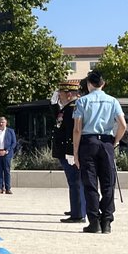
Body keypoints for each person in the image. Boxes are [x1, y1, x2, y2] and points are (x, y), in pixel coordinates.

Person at [72, 71, 128, 234]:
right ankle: (107, 221)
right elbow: (123, 125)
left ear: (89, 84)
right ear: (103, 84)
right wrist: (115, 141)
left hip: (88, 142)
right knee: (108, 183)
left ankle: (94, 221)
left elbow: (77, 129)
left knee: (90, 184)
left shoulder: (82, 101)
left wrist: (75, 152)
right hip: (106, 142)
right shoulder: (112, 101)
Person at [52, 81, 86, 222]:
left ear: (69, 94)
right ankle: (77, 209)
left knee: (75, 182)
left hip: (70, 151)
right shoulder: (67, 108)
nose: (59, 95)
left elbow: (73, 132)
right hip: (67, 150)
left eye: (60, 93)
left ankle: (78, 214)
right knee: (74, 182)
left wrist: (72, 152)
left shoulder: (72, 109)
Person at [0, 116, 17, 194]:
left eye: (3, 122)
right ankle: (0, 188)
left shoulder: (11, 131)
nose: (1, 124)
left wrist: (6, 151)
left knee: (7, 171)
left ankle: (8, 188)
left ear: (6, 123)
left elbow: (14, 143)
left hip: (7, 154)